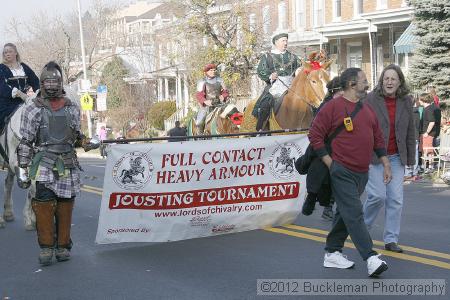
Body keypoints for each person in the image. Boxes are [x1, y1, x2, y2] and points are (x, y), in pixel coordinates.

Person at [308, 68, 392, 277]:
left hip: (362, 172)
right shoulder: (332, 107)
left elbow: (378, 138)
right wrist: (330, 163)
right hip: (341, 170)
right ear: (352, 84)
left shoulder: (366, 109)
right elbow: (315, 135)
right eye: (364, 80)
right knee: (354, 212)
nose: (368, 82)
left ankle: (332, 252)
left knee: (345, 213)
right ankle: (370, 258)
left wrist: (385, 162)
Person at [16, 61, 94, 266]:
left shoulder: (72, 108)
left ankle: (63, 246)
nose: (51, 85)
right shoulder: (33, 108)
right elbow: (26, 141)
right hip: (44, 163)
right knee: (43, 205)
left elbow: (76, 136)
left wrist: (87, 142)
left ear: (61, 83)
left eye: (55, 81)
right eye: (47, 81)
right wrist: (23, 169)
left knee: (65, 207)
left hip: (67, 162)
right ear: (42, 83)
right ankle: (46, 247)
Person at [362, 64, 415, 254]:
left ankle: (391, 239)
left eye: (393, 78)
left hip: (396, 157)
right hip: (374, 156)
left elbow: (411, 131)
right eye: (386, 78)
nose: (390, 82)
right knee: (377, 195)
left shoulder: (406, 101)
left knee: (395, 199)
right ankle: (362, 230)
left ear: (400, 81)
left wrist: (410, 158)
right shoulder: (370, 99)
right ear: (381, 81)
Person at [301, 76, 342, 220]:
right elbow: (316, 130)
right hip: (324, 147)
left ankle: (328, 207)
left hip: (340, 149)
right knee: (320, 174)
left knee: (335, 180)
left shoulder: (347, 105)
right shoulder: (326, 107)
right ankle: (312, 197)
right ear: (335, 91)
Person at [253, 33, 301, 131]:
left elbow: (300, 68)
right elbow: (260, 70)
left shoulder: (293, 57)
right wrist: (270, 75)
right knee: (265, 104)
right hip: (274, 86)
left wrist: (298, 71)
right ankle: (261, 129)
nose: (285, 43)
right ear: (276, 42)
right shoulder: (267, 56)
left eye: (286, 40)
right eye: (283, 40)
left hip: (292, 86)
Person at [0, 43, 39, 132]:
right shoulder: (1, 68)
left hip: (24, 102)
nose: (7, 54)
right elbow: (2, 87)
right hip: (6, 104)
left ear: (16, 53)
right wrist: (19, 93)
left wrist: (39, 93)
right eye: (5, 52)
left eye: (10, 51)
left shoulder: (23, 67)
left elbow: (35, 81)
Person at [195, 63, 229, 134]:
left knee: (232, 116)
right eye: (211, 70)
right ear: (206, 72)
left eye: (214, 70)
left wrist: (223, 96)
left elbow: (226, 92)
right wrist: (205, 101)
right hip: (207, 107)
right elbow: (199, 95)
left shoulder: (220, 80)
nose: (213, 72)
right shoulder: (202, 81)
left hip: (220, 105)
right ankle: (200, 138)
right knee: (199, 122)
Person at [419, 93, 438, 172]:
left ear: (423, 100)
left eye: (420, 99)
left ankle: (429, 167)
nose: (419, 101)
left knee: (428, 150)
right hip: (425, 133)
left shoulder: (429, 109)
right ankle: (426, 166)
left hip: (428, 134)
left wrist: (427, 132)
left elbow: (432, 122)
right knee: (425, 150)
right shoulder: (426, 108)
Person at [404, 95, 422, 181]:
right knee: (415, 154)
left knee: (408, 154)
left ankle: (408, 173)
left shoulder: (406, 112)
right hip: (415, 136)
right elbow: (418, 125)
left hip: (408, 136)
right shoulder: (417, 112)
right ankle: (414, 172)